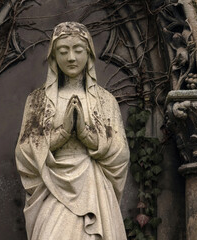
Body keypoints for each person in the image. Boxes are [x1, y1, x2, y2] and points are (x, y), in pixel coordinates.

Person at [15, 22, 129, 240]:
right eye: (63, 50)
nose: (71, 58)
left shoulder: (105, 101)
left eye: (78, 50)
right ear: (53, 55)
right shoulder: (38, 100)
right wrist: (63, 134)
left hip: (93, 188)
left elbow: (120, 153)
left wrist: (86, 135)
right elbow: (24, 152)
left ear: (89, 54)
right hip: (52, 186)